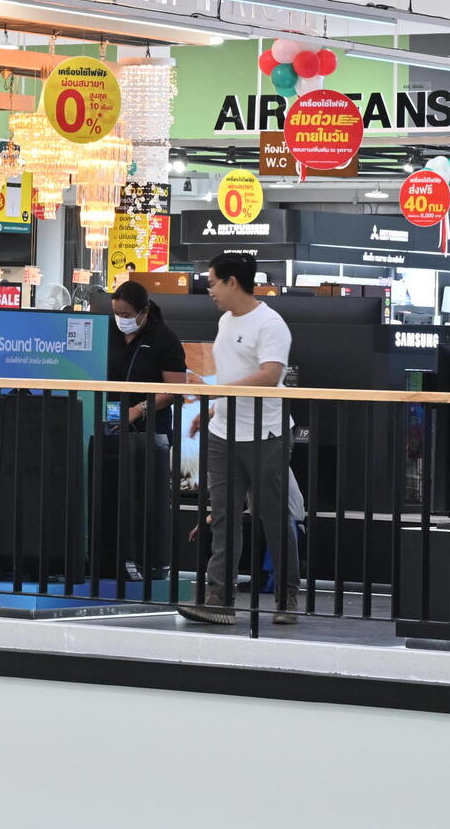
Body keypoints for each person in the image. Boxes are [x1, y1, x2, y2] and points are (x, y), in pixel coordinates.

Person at [179, 252, 299, 627]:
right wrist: (214, 410)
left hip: (267, 434)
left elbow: (270, 375)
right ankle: (219, 599)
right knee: (223, 517)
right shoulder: (225, 321)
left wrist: (217, 392)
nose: (209, 290)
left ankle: (287, 597)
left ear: (232, 282)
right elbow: (235, 373)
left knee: (273, 518)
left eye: (212, 283)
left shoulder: (270, 324)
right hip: (223, 434)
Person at [107, 280, 190, 590]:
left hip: (151, 432)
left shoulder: (163, 339)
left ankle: (151, 562)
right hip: (111, 427)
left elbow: (176, 390)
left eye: (126, 314)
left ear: (142, 312)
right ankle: (112, 559)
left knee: (146, 499)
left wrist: (139, 409)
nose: (120, 319)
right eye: (116, 313)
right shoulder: (109, 333)